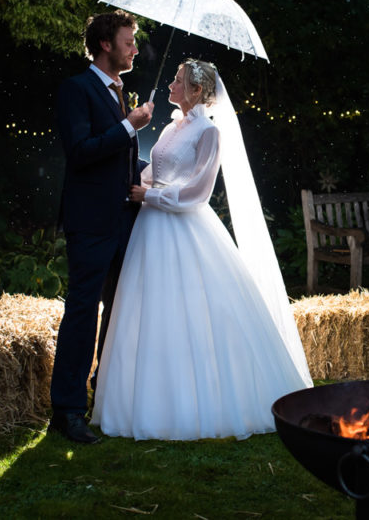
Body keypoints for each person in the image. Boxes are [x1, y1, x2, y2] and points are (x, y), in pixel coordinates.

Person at [91, 59, 312, 440]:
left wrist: (152, 195)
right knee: (147, 311)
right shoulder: (171, 127)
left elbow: (199, 192)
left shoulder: (209, 133)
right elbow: (152, 171)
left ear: (195, 91)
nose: (171, 86)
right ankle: (145, 399)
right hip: (151, 227)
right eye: (174, 79)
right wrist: (131, 182)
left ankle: (200, 402)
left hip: (183, 228)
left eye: (178, 82)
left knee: (187, 311)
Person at [49, 11, 154, 444]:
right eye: (128, 41)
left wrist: (154, 175)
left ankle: (102, 396)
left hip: (123, 222)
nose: (134, 48)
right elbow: (81, 151)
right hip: (90, 222)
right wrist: (129, 125)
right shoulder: (77, 89)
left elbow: (119, 159)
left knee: (118, 312)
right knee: (81, 312)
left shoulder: (120, 93)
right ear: (106, 45)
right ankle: (67, 410)